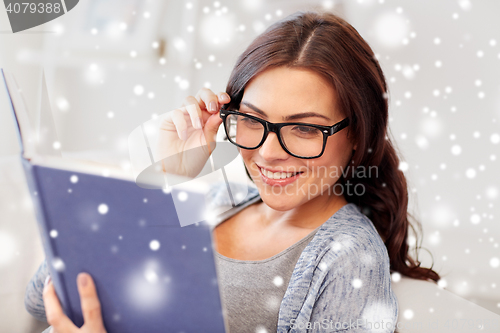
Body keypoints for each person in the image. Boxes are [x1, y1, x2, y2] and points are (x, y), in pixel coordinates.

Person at [26, 10, 441, 333]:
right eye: (252, 120)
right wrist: (164, 184)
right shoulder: (222, 200)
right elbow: (43, 293)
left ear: (357, 133)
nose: (268, 152)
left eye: (304, 128)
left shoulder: (350, 258)